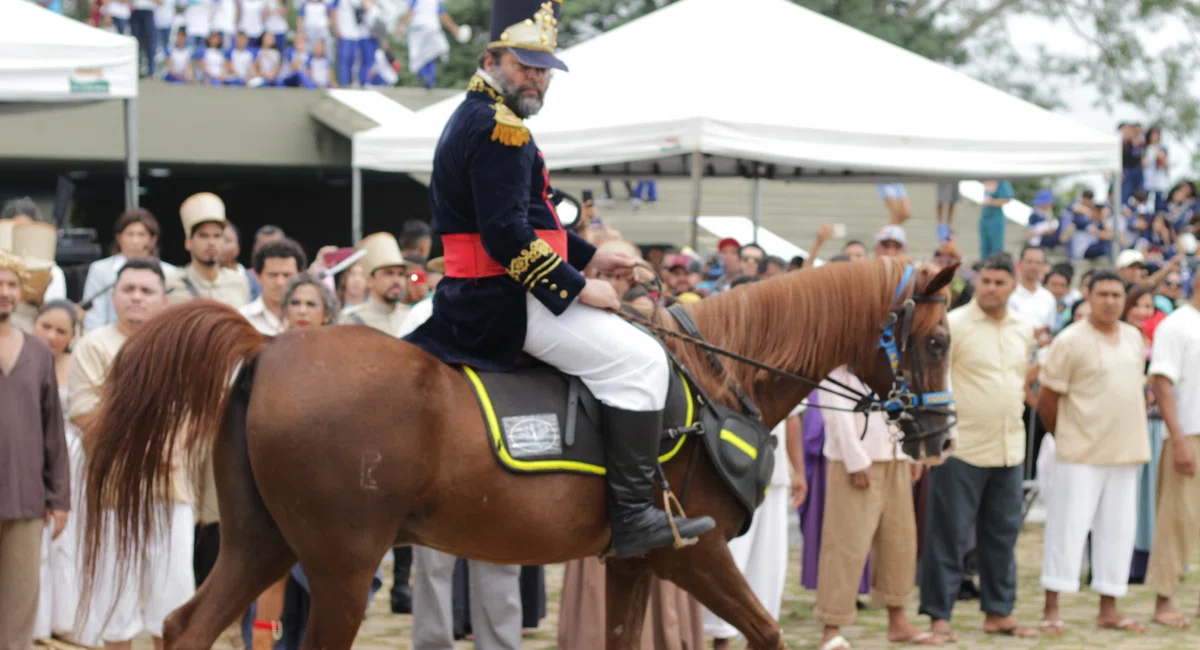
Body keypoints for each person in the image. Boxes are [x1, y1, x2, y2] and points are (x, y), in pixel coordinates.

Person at [402, 0, 715, 564]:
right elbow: (504, 238)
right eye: (526, 65)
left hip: (484, 293)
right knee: (643, 362)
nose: (538, 78)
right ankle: (633, 514)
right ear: (492, 58)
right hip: (500, 301)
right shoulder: (499, 128)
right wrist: (576, 287)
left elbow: (534, 222)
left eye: (545, 68)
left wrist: (595, 259)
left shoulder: (483, 115)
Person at [919, 253, 1037, 641]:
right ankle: (939, 617)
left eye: (1000, 282)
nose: (991, 288)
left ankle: (999, 612)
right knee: (947, 536)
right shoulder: (954, 325)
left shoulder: (1023, 328)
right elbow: (936, 380)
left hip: (1009, 447)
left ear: (1013, 285)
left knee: (1002, 534)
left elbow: (1020, 379)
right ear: (976, 282)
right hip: (961, 446)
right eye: (986, 281)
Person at [1036, 270, 1151, 635]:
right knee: (1066, 528)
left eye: (1117, 295)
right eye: (1102, 294)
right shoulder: (1070, 340)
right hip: (1079, 451)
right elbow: (1047, 400)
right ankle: (1052, 607)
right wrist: (1065, 435)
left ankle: (1109, 607)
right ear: (1088, 295)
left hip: (1126, 450)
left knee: (1118, 532)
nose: (1110, 301)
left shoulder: (1134, 337)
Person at [0, 250, 69, 650]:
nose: (4, 292)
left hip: (27, 498)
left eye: (11, 284)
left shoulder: (39, 352)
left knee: (19, 606)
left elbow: (53, 434)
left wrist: (58, 498)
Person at [1144, 270, 1200, 628]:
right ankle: (1164, 600)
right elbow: (1161, 383)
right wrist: (1178, 439)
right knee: (1176, 519)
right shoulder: (1177, 325)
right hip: (1190, 434)